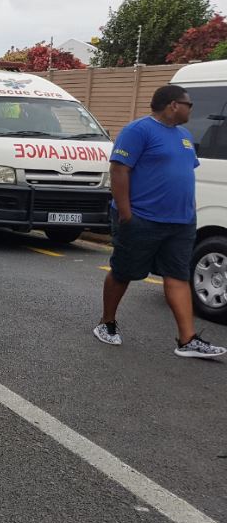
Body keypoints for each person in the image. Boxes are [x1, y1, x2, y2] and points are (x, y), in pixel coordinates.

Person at [94, 84, 227, 359]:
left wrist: (189, 211)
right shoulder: (138, 130)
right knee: (123, 272)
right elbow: (119, 170)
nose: (192, 108)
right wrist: (126, 213)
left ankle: (187, 340)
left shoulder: (184, 136)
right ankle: (107, 323)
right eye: (188, 104)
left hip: (180, 223)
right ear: (173, 105)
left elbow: (183, 174)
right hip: (142, 218)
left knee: (178, 276)